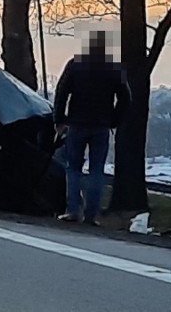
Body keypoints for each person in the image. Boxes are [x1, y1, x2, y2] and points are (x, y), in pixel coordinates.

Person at [53, 30, 131, 225]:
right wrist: (115, 120)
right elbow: (125, 98)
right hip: (101, 125)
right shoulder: (114, 68)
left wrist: (59, 120)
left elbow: (61, 92)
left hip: (77, 123)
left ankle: (73, 210)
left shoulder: (75, 65)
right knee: (97, 170)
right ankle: (92, 215)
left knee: (73, 169)